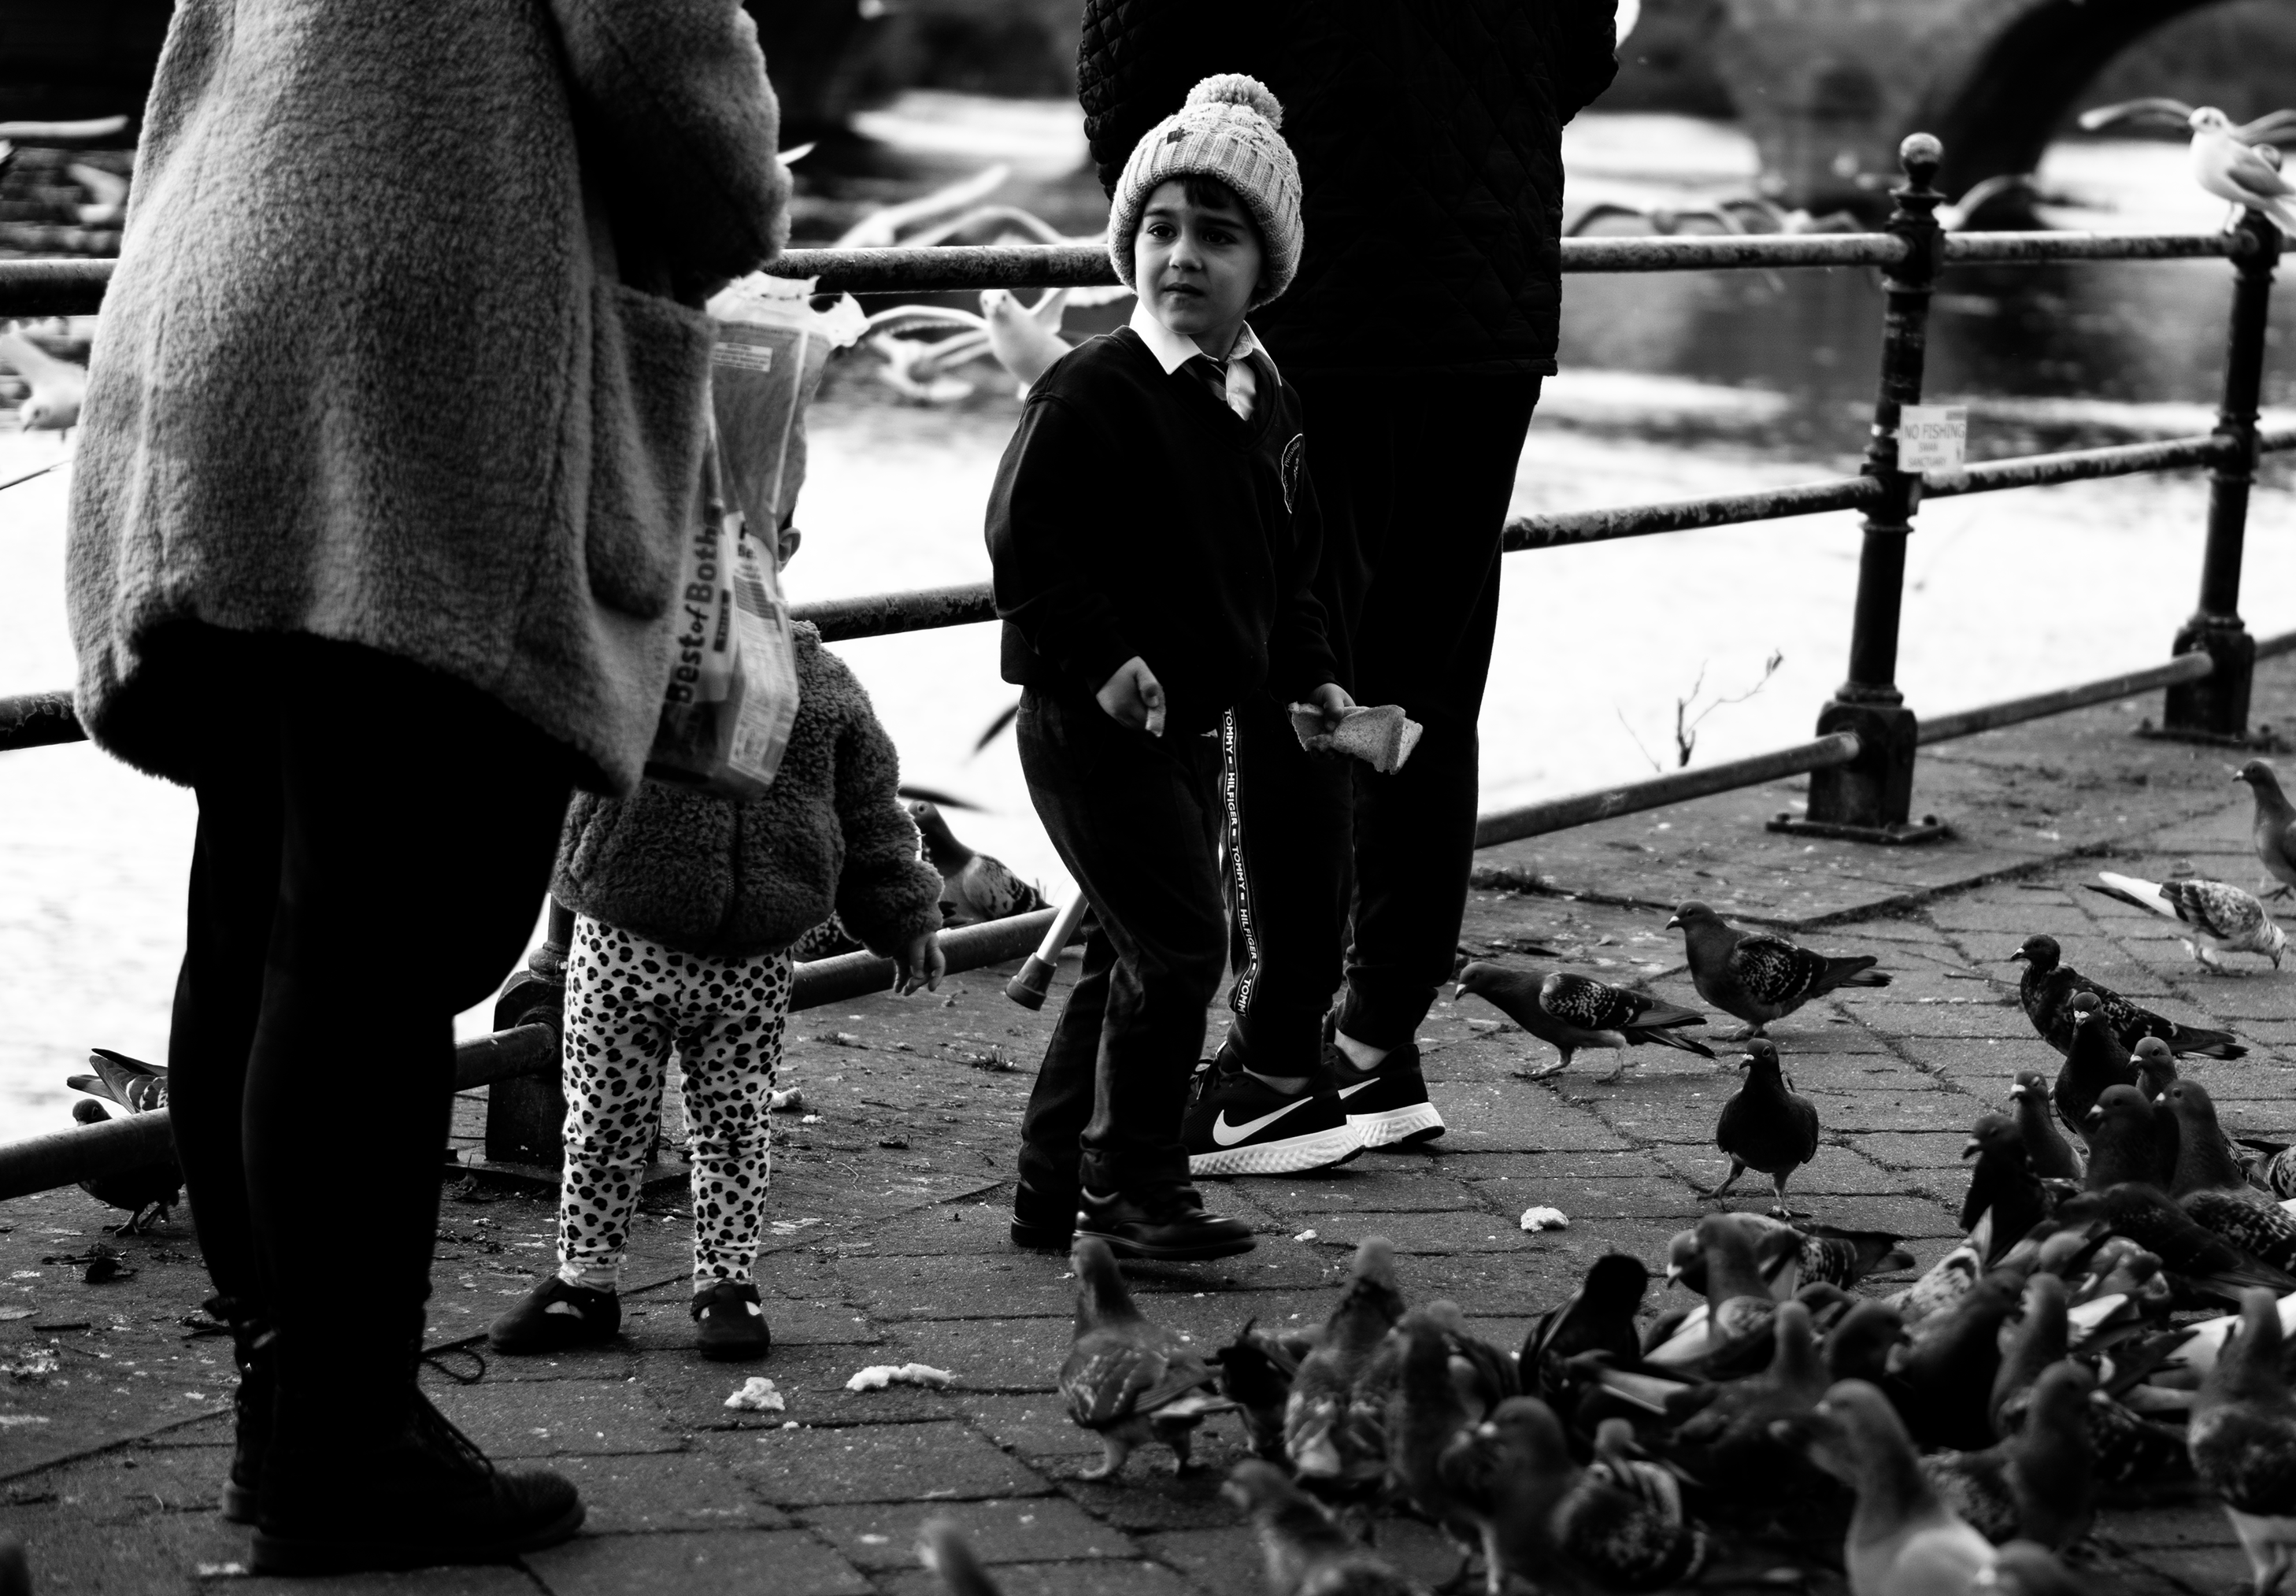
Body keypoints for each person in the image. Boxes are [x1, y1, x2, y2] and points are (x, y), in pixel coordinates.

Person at [60, 0, 786, 1573]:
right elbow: (679, 97)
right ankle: (341, 1438)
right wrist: (744, 196)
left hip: (224, 306)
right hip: (425, 340)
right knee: (382, 930)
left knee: (259, 887)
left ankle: (300, 1399)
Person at [1079, 0, 1621, 1151]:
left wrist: (1198, 247)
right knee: (1422, 676)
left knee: (1293, 681)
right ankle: (1376, 1040)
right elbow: (1577, 49)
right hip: (1488, 306)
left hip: (1314, 306)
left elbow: (1134, 91)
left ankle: (1277, 1058)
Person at [989, 74, 1356, 1259]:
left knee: (1131, 952)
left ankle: (1057, 1189)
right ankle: (1135, 1190)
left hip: (1192, 727)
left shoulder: (1265, 400)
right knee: (1186, 948)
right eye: (1160, 230)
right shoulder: (1093, 389)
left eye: (1217, 234)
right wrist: (1103, 659)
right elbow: (1024, 543)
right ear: (1128, 247)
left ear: (1267, 266)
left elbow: (1285, 569)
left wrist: (1309, 675)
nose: (1183, 256)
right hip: (1090, 723)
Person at [487, 458, 946, 1363]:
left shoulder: (825, 689)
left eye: (755, 538)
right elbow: (556, 740)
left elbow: (870, 818)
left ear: (790, 547)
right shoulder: (635, 650)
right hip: (626, 937)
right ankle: (586, 1281)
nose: (728, 557)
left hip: (753, 959)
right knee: (604, 1122)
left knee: (734, 1128)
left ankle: (726, 1280)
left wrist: (904, 914)